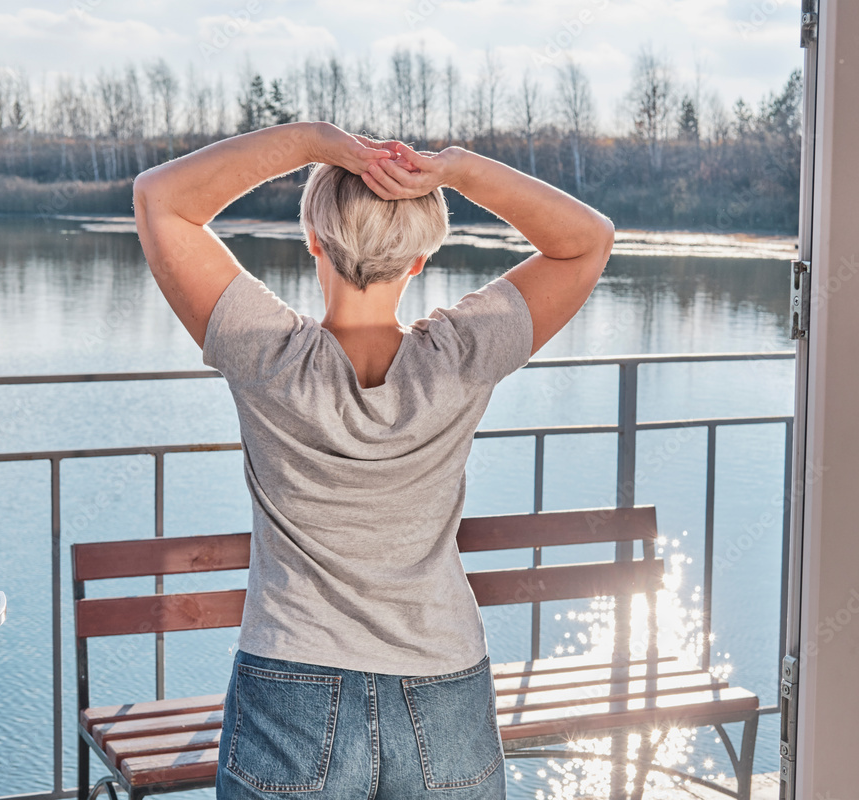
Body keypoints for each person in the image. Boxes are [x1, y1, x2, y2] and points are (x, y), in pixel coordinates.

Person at [132, 121, 614, 800]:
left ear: (313, 243)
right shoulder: (462, 357)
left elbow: (161, 198)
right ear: (418, 260)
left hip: (292, 679)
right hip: (443, 685)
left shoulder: (265, 355)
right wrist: (456, 169)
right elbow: (587, 241)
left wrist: (309, 143)